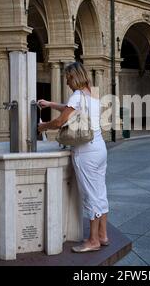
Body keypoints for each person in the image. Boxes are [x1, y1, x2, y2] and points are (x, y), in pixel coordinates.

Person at [37, 62, 109, 253]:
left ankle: (93, 241)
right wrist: (51, 104)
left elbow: (62, 120)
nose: (67, 83)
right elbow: (73, 109)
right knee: (100, 192)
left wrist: (43, 126)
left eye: (68, 78)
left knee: (90, 196)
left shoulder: (77, 95)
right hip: (100, 148)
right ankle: (103, 235)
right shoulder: (92, 93)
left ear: (74, 77)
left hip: (86, 152)